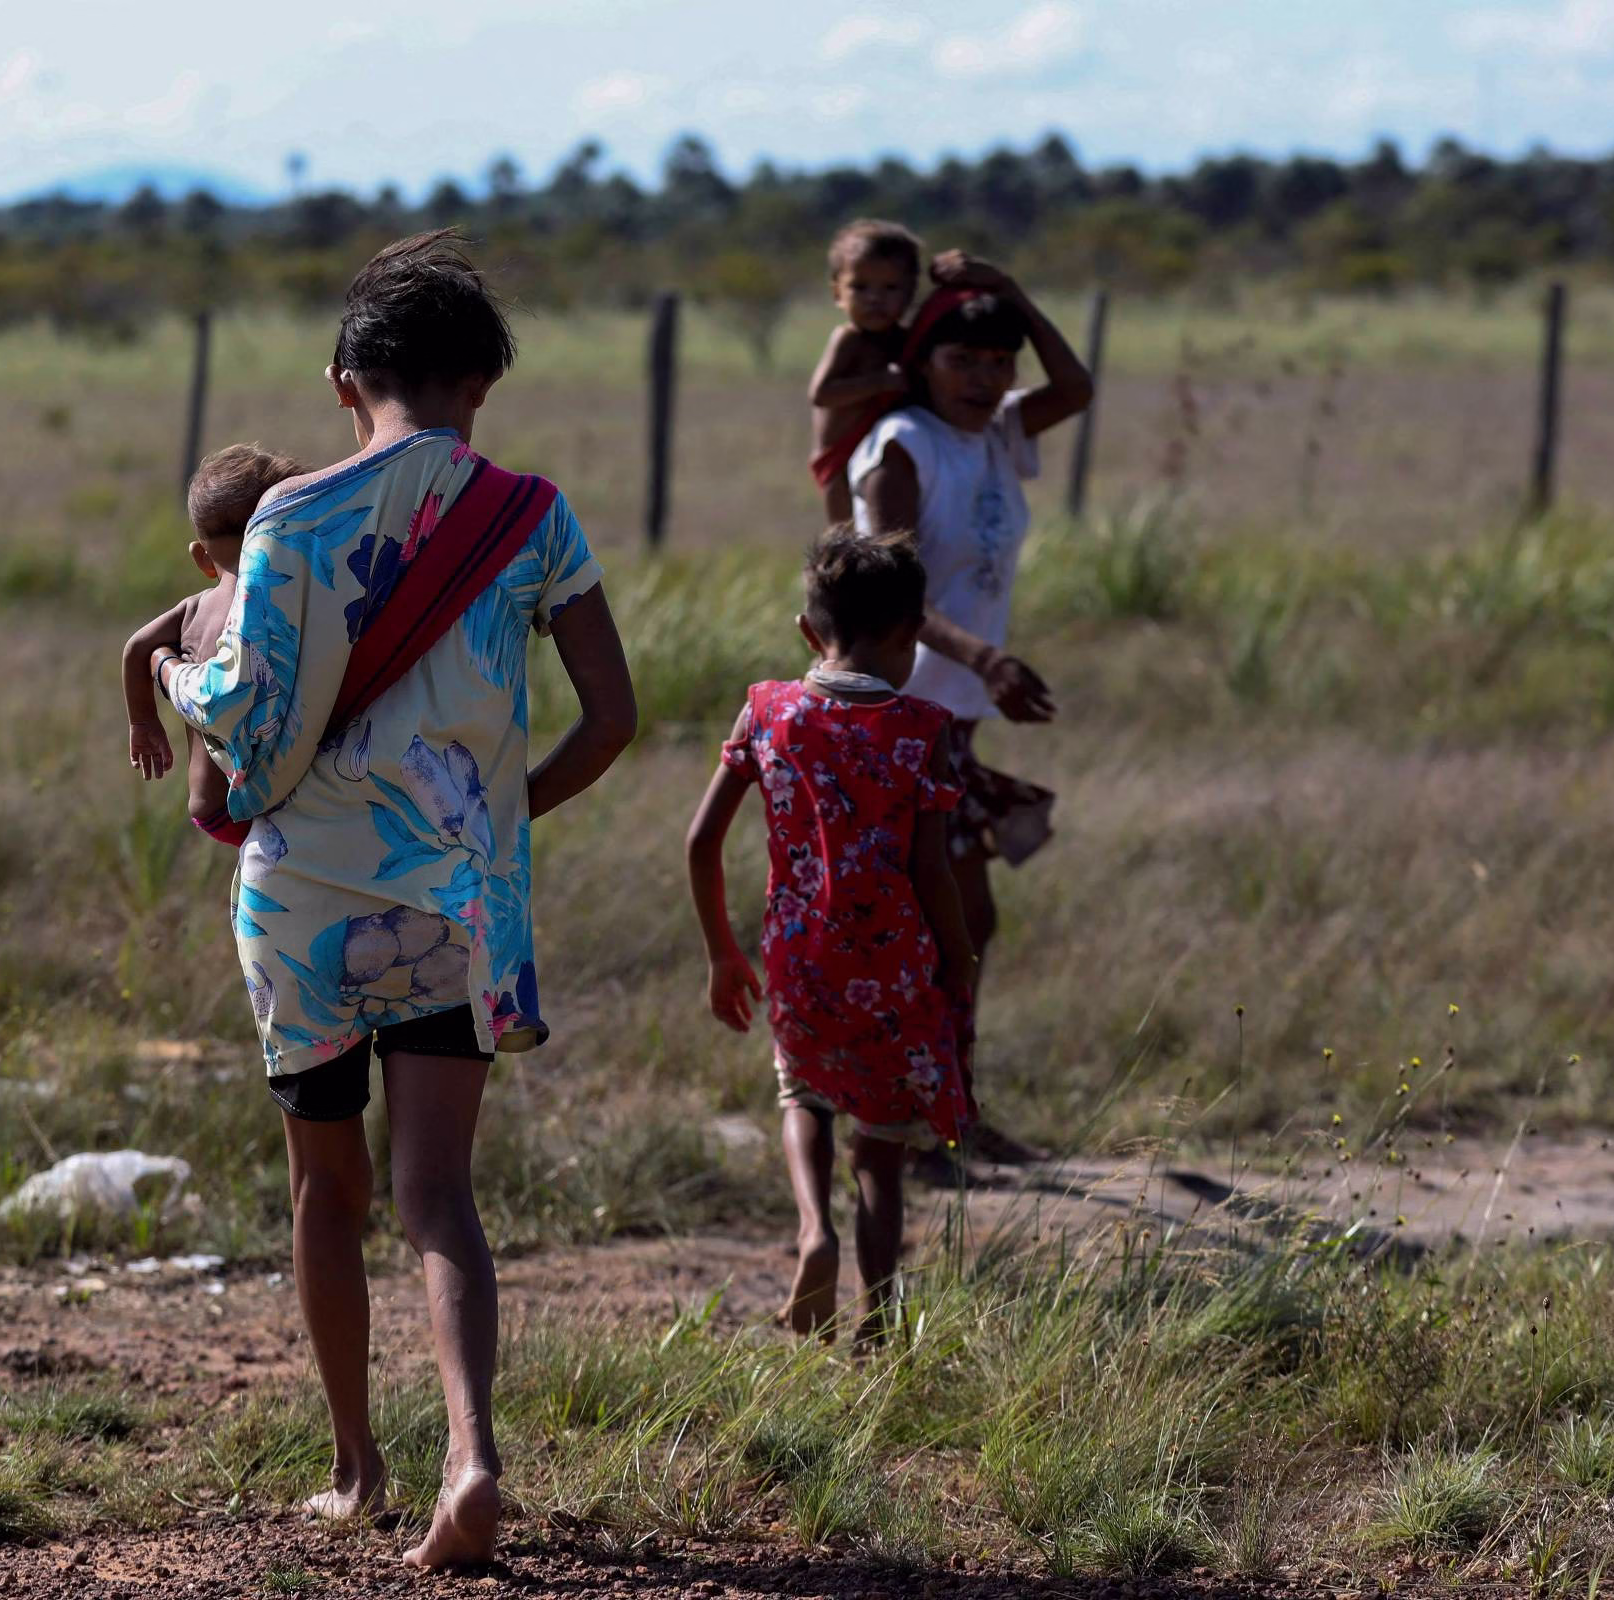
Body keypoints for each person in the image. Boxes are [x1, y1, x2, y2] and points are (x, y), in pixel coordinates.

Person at [147, 232, 637, 1570]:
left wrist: (169, 680)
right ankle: (472, 1457)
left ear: (338, 381)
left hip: (299, 901)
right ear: (483, 382)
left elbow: (245, 724)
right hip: (457, 905)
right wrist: (491, 819)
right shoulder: (535, 516)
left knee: (327, 1187)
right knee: (441, 1197)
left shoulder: (286, 516)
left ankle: (356, 1468)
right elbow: (614, 719)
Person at [685, 526, 976, 1346]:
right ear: (908, 636)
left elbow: (700, 840)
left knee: (803, 1095)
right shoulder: (921, 728)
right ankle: (878, 1327)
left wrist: (721, 950)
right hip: (893, 967)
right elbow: (933, 873)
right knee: (880, 1154)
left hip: (797, 955)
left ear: (810, 634)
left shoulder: (769, 709)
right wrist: (958, 958)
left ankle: (813, 1229)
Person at [849, 263, 1093, 1158]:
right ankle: (913, 1123)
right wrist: (984, 658)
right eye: (964, 357)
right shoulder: (903, 446)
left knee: (962, 921)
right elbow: (887, 594)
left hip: (949, 722)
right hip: (891, 718)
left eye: (999, 360)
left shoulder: (996, 436)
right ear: (925, 359)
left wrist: (1017, 292)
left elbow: (1077, 386)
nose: (985, 377)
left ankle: (946, 1111)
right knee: (925, 922)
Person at [122, 444, 309, 845]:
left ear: (202, 559)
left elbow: (137, 648)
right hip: (280, 798)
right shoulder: (293, 604)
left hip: (210, 805)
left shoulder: (195, 610)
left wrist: (144, 723)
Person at [806, 220, 924, 525]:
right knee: (846, 541)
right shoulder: (849, 339)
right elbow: (821, 393)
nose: (875, 298)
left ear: (910, 293)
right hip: (839, 461)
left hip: (882, 457)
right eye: (860, 287)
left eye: (890, 288)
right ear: (837, 293)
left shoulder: (906, 341)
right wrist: (880, 382)